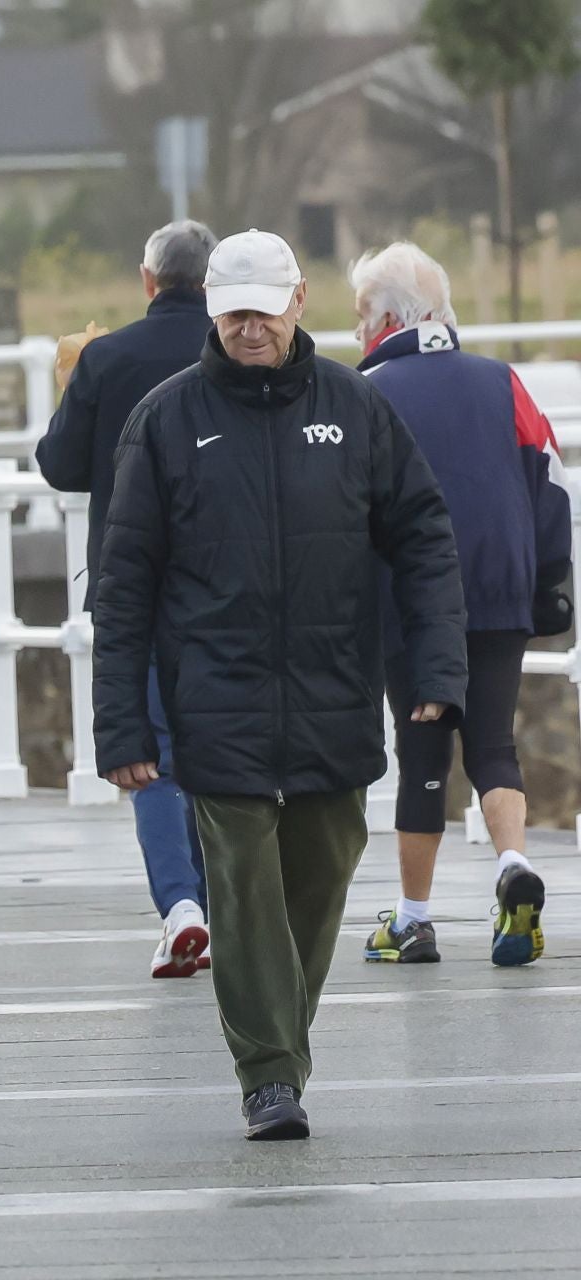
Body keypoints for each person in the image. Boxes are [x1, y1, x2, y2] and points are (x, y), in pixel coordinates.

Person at [93, 229, 467, 1141]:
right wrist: (121, 729)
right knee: (243, 883)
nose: (248, 327)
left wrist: (437, 667)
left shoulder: (356, 408)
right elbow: (125, 583)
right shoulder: (169, 420)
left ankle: (280, 1044)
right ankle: (268, 1074)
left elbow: (423, 537)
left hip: (334, 693)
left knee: (322, 874)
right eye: (232, 312)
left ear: (299, 299)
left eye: (263, 309)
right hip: (215, 701)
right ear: (213, 310)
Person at [350, 242, 573, 967]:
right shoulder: (500, 380)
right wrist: (548, 584)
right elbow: (551, 481)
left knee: (421, 752)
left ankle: (413, 919)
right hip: (503, 584)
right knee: (493, 743)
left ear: (387, 319)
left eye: (360, 315)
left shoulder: (369, 390)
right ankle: (512, 866)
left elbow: (345, 505)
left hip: (413, 598)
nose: (356, 331)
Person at [36, 220, 218, 979]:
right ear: (213, 286)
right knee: (222, 748)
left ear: (148, 281)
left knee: (152, 755)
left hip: (129, 581)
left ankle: (181, 906)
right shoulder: (234, 355)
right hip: (224, 582)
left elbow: (60, 466)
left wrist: (72, 385)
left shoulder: (107, 359)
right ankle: (223, 905)